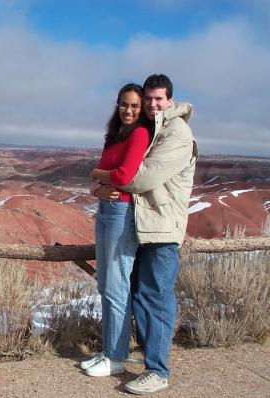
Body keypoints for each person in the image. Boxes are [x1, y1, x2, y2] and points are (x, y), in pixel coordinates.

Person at [93, 74, 197, 395]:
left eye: (158, 99)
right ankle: (131, 358)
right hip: (145, 226)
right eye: (148, 99)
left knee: (156, 299)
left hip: (163, 229)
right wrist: (98, 186)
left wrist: (97, 176)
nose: (152, 104)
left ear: (170, 100)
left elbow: (139, 178)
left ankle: (157, 370)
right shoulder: (155, 128)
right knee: (139, 294)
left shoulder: (177, 133)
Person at [79, 83, 151, 377]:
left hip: (122, 212)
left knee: (117, 284)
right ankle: (109, 350)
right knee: (105, 283)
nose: (129, 110)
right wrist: (96, 188)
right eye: (124, 104)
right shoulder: (115, 135)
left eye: (134, 105)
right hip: (106, 210)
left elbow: (124, 175)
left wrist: (95, 176)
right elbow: (99, 182)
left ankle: (117, 356)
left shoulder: (140, 134)